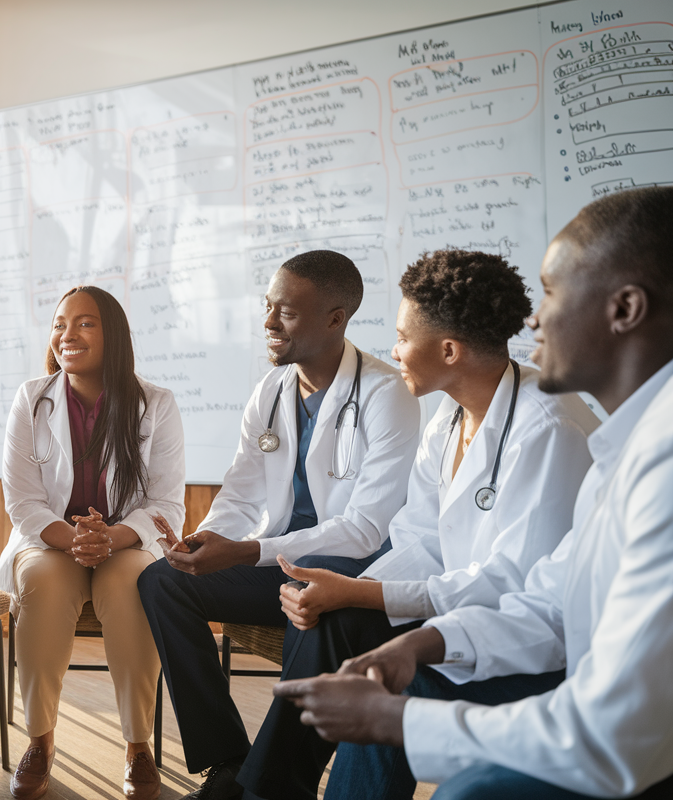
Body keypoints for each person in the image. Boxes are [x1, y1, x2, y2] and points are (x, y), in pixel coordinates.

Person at [274, 186, 673, 799]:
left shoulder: (594, 439)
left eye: (553, 292)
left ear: (624, 308)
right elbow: (547, 599)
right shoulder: (626, 447)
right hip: (559, 675)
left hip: (615, 732)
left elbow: (611, 729)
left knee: (457, 778)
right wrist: (422, 640)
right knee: (372, 657)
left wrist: (397, 711)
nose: (534, 319)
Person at [236, 250, 598, 800]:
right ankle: (272, 788)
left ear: (449, 350)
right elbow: (419, 539)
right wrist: (352, 593)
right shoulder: (449, 417)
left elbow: (514, 588)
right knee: (339, 619)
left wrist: (363, 591)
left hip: (536, 650)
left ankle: (265, 788)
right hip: (468, 617)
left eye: (403, 336)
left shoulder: (548, 429)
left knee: (376, 675)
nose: (395, 350)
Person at [136, 250, 420, 799]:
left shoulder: (388, 396)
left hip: (348, 570)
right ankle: (225, 764)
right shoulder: (271, 392)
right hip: (277, 563)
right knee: (163, 582)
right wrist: (211, 538)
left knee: (310, 592)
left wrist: (246, 553)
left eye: (285, 313)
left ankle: (269, 784)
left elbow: (364, 529)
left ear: (335, 319)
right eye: (268, 308)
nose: (268, 324)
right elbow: (241, 492)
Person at [0, 286, 186, 800]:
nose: (67, 334)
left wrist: (112, 540)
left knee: (133, 585)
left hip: (123, 542)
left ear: (114, 335)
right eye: (60, 323)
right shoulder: (30, 399)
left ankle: (137, 745)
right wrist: (74, 539)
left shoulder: (156, 404)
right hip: (49, 539)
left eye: (85, 323)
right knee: (40, 582)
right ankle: (40, 739)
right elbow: (23, 501)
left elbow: (167, 505)